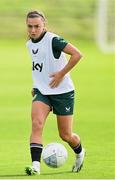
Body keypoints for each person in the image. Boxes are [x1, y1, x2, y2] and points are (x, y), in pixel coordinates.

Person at [25, 10, 85, 175]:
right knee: (37, 124)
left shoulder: (54, 40)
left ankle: (80, 152)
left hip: (63, 92)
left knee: (65, 135)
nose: (33, 30)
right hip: (42, 91)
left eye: (37, 26)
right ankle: (35, 166)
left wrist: (61, 74)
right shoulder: (29, 44)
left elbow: (77, 54)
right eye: (29, 26)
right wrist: (37, 84)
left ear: (44, 25)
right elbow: (39, 66)